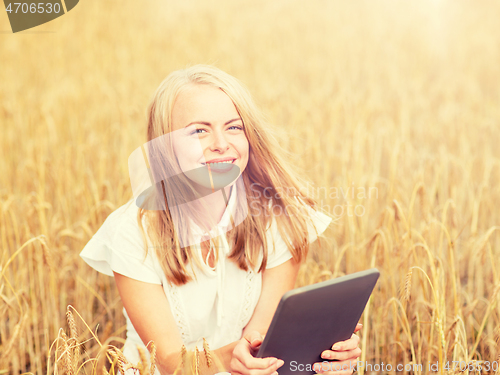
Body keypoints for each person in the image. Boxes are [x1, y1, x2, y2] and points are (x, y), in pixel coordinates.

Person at [80, 65, 362, 375]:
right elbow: (171, 362)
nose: (220, 143)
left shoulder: (279, 219)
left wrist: (322, 355)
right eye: (199, 131)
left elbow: (261, 347)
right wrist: (237, 356)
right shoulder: (132, 231)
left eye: (234, 127)